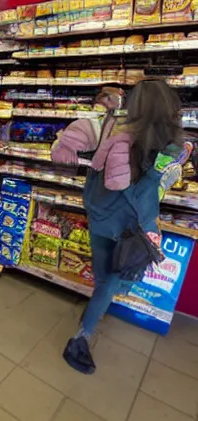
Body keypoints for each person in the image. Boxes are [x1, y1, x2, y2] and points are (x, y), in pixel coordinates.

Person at [51, 79, 187, 374]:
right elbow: (155, 191)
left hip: (102, 217)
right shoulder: (172, 149)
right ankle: (82, 335)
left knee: (106, 278)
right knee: (118, 278)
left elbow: (72, 153)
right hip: (134, 227)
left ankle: (88, 321)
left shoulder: (113, 129)